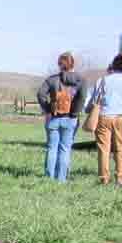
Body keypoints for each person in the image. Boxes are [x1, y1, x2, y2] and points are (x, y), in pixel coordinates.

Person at [36, 52, 87, 182]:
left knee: (52, 148)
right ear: (72, 64)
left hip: (53, 118)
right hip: (70, 120)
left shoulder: (52, 79)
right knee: (65, 148)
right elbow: (82, 98)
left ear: (60, 64)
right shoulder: (80, 80)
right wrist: (74, 113)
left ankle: (49, 178)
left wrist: (48, 109)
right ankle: (61, 179)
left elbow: (40, 94)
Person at [89, 52, 122, 186]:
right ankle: (120, 179)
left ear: (113, 65)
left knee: (104, 149)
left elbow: (95, 100)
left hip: (104, 116)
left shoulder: (103, 80)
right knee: (121, 149)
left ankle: (104, 178)